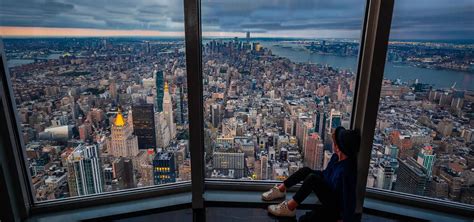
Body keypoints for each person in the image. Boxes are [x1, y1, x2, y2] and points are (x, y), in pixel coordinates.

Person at [262, 126, 360, 222]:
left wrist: (345, 219)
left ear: (339, 147)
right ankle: (281, 189)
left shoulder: (347, 170)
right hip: (328, 190)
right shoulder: (335, 158)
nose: (332, 143)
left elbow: (349, 198)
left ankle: (289, 208)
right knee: (306, 170)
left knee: (305, 217)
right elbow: (325, 174)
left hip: (335, 206)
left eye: (335, 142)